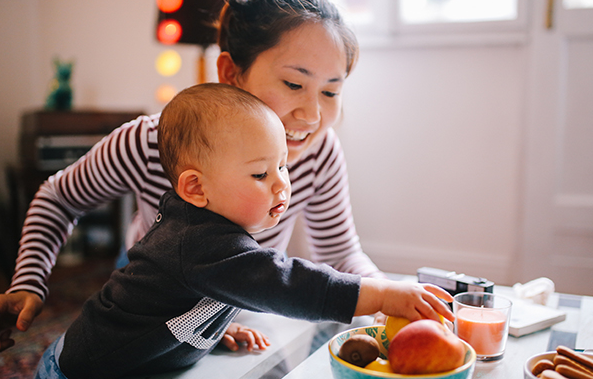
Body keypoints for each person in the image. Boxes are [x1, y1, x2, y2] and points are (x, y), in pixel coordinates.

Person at [0, 0, 385, 359]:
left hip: (230, 302)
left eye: (331, 90)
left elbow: (341, 253)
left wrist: (390, 299)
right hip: (156, 296)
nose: (312, 115)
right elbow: (58, 197)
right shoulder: (147, 141)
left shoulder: (319, 151)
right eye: (294, 85)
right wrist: (27, 283)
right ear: (230, 72)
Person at [34, 83, 455, 379]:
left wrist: (213, 324)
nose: (280, 185)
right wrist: (380, 294)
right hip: (81, 371)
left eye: (282, 167)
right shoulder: (197, 241)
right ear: (196, 188)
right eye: (259, 173)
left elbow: (181, 294)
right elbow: (287, 283)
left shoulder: (211, 230)